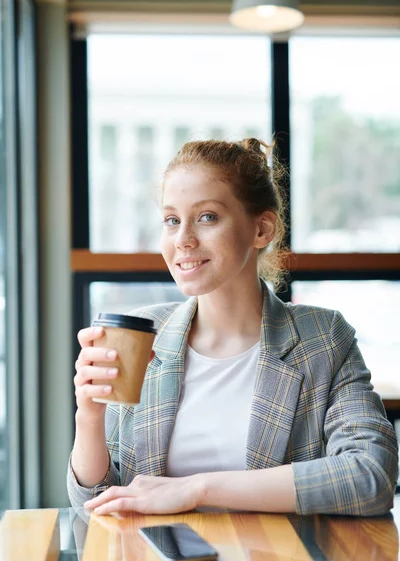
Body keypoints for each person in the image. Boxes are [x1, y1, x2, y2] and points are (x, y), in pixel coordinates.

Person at [67, 138, 398, 517]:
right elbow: (93, 505)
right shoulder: (145, 334)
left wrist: (197, 489)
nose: (183, 240)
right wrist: (88, 417)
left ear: (261, 229)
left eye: (207, 217)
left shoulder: (321, 338)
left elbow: (371, 477)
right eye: (172, 220)